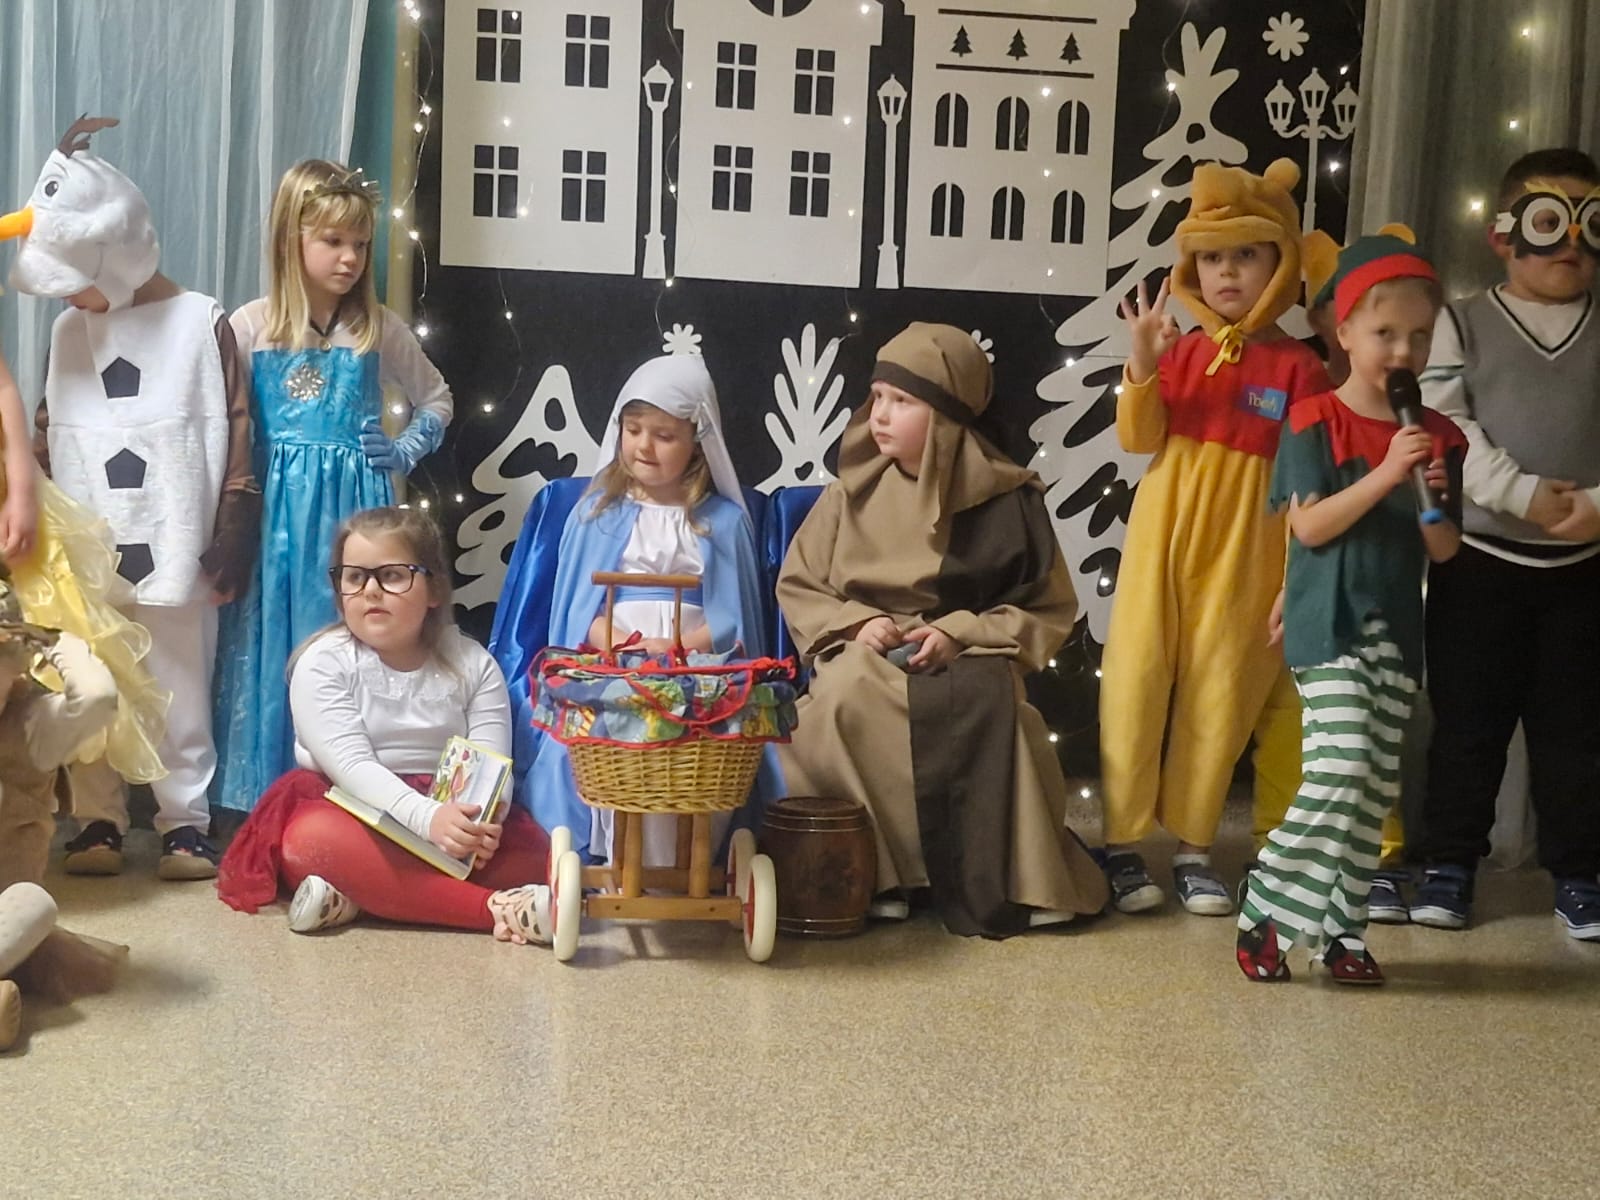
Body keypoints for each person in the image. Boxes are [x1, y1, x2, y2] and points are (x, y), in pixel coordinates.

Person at [775, 322, 1109, 938]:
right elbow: (801, 585)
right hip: (868, 651)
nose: (880, 415)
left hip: (970, 649)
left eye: (902, 401)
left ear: (949, 416)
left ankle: (1016, 880)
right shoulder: (849, 495)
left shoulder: (1010, 500)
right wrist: (858, 622)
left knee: (998, 710)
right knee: (840, 699)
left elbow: (1045, 608)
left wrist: (959, 632)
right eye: (877, 397)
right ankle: (876, 874)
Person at [1, 115, 257, 880]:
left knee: (179, 683)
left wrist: (232, 528)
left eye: (75, 279)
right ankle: (97, 819)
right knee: (94, 679)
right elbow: (48, 429)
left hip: (179, 539)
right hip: (87, 552)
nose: (70, 298)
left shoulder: (200, 321)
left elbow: (235, 428)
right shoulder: (69, 334)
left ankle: (185, 822)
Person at [1099, 160, 1330, 916]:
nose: (1226, 272)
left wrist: (1296, 580)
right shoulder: (1182, 349)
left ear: (1280, 263)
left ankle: (1194, 847)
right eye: (1212, 257)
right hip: (1163, 534)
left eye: (1246, 255)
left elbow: (1310, 483)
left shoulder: (1300, 367)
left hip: (1250, 546)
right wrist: (1143, 361)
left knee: (1222, 691)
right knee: (1135, 677)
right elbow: (1139, 438)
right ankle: (1122, 843)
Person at [1237, 234, 1465, 985]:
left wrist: (1429, 495)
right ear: (1344, 332)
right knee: (1342, 766)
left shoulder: (1440, 437)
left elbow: (1444, 550)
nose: (1404, 351)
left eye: (1420, 336)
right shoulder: (1313, 419)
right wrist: (1387, 474)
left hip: (1396, 631)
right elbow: (1309, 527)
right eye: (1385, 332)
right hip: (1328, 622)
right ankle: (1267, 905)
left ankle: (1342, 934)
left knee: (1371, 792)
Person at [212, 159, 452, 816]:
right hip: (276, 517)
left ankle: (352, 793)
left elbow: (436, 398)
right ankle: (266, 797)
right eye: (333, 241)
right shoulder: (250, 326)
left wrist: (404, 448)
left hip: (356, 512)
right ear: (292, 240)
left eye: (361, 244)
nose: (350, 258)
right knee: (271, 634)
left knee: (350, 635)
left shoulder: (377, 330)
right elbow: (221, 421)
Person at [1413, 148, 1600, 940]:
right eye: (1550, 221)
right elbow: (1445, 420)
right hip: (1481, 564)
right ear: (1503, 235)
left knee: (1577, 733)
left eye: (1591, 224)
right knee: (1467, 725)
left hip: (1584, 569)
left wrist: (1596, 507)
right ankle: (1448, 861)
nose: (1572, 243)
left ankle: (1581, 871)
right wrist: (1517, 492)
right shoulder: (1459, 321)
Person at [217, 507, 551, 943]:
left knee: (537, 858)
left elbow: (490, 761)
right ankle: (492, 910)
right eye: (355, 577)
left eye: (392, 576)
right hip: (348, 802)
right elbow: (353, 767)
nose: (370, 591)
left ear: (434, 588)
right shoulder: (322, 663)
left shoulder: (473, 663)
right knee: (313, 841)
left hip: (446, 807)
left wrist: (480, 824)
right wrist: (427, 820)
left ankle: (362, 895)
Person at [522, 354, 773, 864]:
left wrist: (680, 648)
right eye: (633, 430)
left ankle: (685, 862)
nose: (643, 446)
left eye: (664, 435)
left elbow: (734, 617)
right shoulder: (595, 515)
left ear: (696, 441)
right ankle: (615, 857)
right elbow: (578, 609)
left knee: (688, 752)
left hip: (694, 669)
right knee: (614, 741)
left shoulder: (722, 523)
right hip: (617, 663)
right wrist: (622, 645)